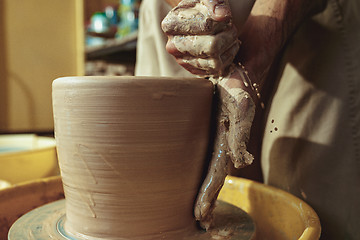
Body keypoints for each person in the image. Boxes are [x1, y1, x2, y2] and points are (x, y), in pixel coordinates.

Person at [135, 0, 360, 239]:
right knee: (167, 179)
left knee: (300, 187)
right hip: (176, 8)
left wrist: (247, 67)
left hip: (311, 15)